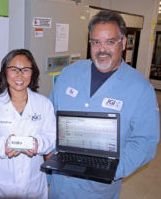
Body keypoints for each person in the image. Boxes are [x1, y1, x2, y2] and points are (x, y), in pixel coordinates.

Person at [48, 10, 160, 199]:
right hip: (60, 183)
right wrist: (49, 157)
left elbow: (145, 142)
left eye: (110, 42)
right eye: (96, 42)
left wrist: (109, 170)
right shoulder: (69, 74)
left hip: (98, 190)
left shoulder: (141, 89)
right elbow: (50, 118)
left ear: (123, 43)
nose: (102, 49)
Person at [0, 49, 56, 198]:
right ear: (5, 72)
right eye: (14, 69)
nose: (19, 75)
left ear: (32, 73)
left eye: (25, 70)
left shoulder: (44, 105)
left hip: (34, 184)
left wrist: (39, 144)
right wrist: (3, 146)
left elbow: (51, 139)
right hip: (2, 185)